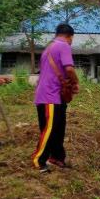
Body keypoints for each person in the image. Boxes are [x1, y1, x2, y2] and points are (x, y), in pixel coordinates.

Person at [32, 23, 80, 173]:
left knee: (58, 129)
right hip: (50, 96)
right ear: (70, 36)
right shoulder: (64, 45)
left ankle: (57, 157)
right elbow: (69, 68)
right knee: (50, 129)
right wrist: (76, 83)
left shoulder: (48, 48)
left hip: (52, 96)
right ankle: (39, 160)